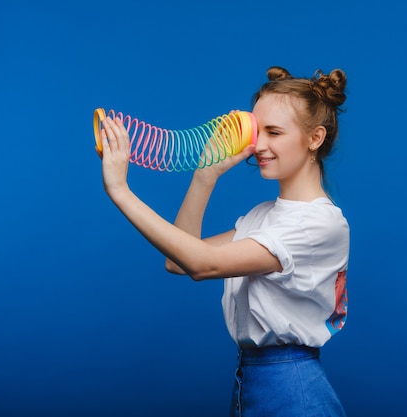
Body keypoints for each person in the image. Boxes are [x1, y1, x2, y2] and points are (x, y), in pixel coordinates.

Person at [100, 66, 350, 417]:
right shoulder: (263, 217)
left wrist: (121, 191)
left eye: (274, 132)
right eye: (258, 131)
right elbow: (179, 261)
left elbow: (204, 264)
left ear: (315, 138)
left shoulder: (317, 224)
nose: (259, 145)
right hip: (251, 380)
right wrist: (206, 173)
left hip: (293, 390)